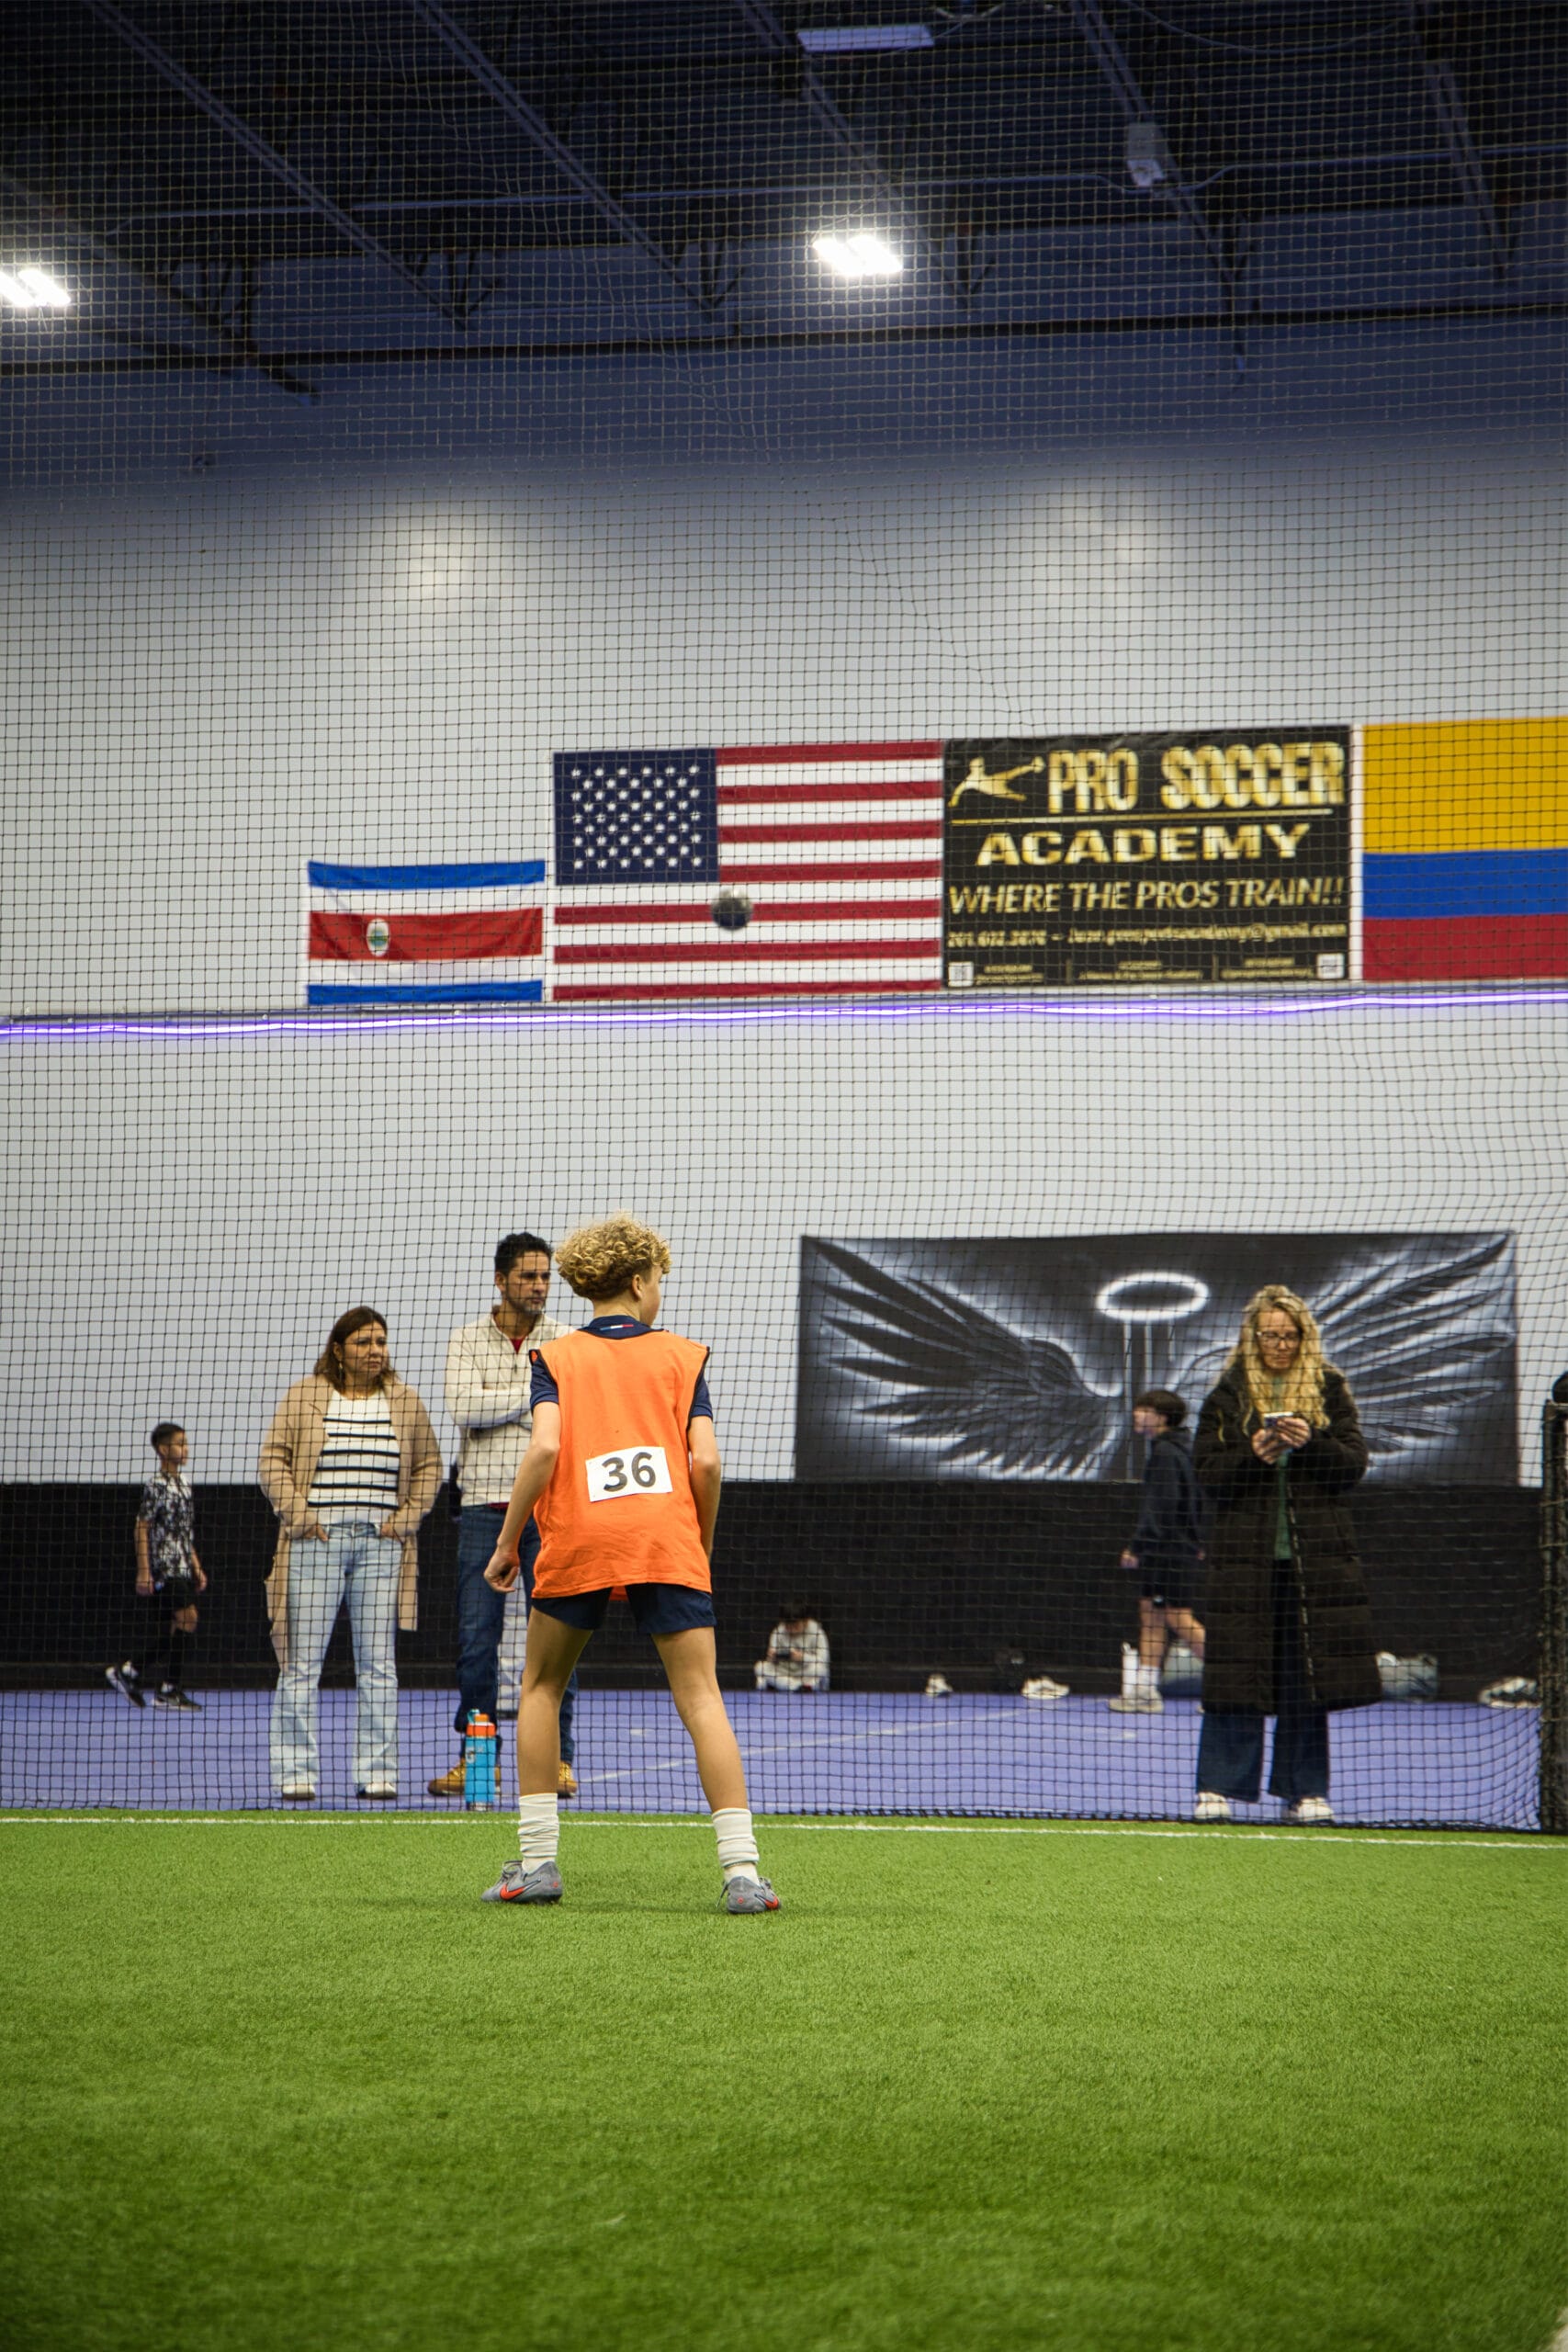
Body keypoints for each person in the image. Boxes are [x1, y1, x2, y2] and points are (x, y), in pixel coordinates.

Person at [480, 1213, 779, 1913]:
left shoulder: (554, 1358)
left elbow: (544, 1450)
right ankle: (742, 1873)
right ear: (641, 1282)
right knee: (701, 1697)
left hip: (579, 1534)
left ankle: (537, 1864)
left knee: (540, 1688)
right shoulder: (683, 1356)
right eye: (659, 1281)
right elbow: (705, 1463)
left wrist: (506, 1542)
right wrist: (697, 1542)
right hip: (663, 1537)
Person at [1191, 1285, 1380, 1824]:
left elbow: (1352, 1466)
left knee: (1307, 1678)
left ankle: (1305, 1790)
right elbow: (1208, 1474)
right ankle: (1217, 1787)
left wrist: (1310, 1442)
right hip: (1243, 1566)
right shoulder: (1227, 1395)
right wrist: (1253, 1454)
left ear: (1304, 1336)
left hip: (1312, 1566)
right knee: (1235, 1673)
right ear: (1253, 1338)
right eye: (1270, 1335)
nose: (1280, 1345)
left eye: (1289, 1335)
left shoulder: (1329, 1387)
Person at [258, 1307, 441, 1803]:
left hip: (381, 1547)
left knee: (378, 1664)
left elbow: (429, 1466)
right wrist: (301, 1517)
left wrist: (404, 1521)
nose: (375, 1350)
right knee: (300, 1663)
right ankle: (296, 1773)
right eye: (363, 1342)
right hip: (316, 1544)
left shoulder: (405, 1400)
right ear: (338, 1350)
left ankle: (377, 1772)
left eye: (381, 1341)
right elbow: (272, 1460)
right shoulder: (304, 1395)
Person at [430, 1233, 580, 1804]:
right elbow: (464, 1408)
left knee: (559, 1638)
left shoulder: (566, 1339)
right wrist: (536, 1397)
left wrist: (500, 1400)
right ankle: (478, 1763)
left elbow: (569, 1415)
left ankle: (559, 1762)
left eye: (545, 1277)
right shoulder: (465, 1339)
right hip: (480, 1509)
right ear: (500, 1280)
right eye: (528, 1277)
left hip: (551, 1510)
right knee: (476, 1642)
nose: (540, 1287)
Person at [1110, 1389, 1205, 1714]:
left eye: (1145, 1410)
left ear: (1162, 1418)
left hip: (1169, 1551)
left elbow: (1162, 1506)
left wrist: (1138, 1546)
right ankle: (1145, 1691)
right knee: (1151, 1615)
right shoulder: (1179, 1449)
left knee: (1178, 1617)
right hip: (1173, 1549)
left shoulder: (1166, 1453)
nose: (1137, 1415)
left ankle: (1231, 1686)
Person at [107, 1421, 207, 1713]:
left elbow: (184, 1531)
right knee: (189, 1619)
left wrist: (196, 1566)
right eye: (179, 1443)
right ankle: (159, 1685)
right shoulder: (156, 1485)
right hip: (164, 1566)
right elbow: (142, 1526)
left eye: (186, 1443)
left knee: (179, 1626)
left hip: (182, 1566)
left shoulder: (185, 1483)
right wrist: (144, 1571)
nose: (185, 1448)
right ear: (163, 1449)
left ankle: (138, 1675)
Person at [755, 1603, 830, 1693]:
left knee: (819, 1669)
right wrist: (772, 1658)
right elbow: (771, 1659)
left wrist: (803, 1658)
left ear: (806, 1621)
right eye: (788, 1626)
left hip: (805, 1671)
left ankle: (785, 1686)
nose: (792, 1630)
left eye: (795, 1626)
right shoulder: (778, 1631)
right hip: (784, 1671)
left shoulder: (817, 1632)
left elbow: (823, 1660)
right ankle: (798, 1687)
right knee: (760, 1667)